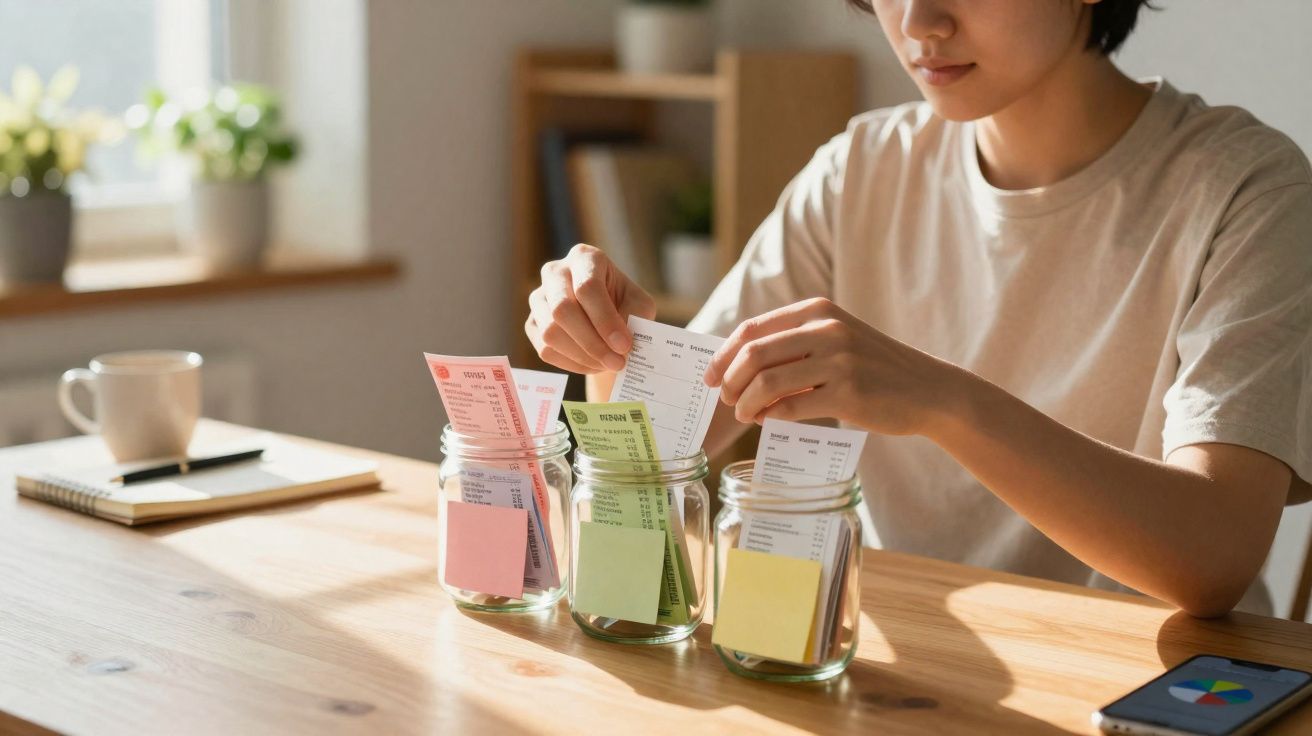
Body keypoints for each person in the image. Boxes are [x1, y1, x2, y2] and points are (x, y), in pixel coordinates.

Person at [523, 0, 1312, 617]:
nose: (919, 24)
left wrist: (942, 402)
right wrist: (615, 349)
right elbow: (659, 458)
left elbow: (1216, 555)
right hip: (906, 658)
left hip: (1145, 687)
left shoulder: (1247, 191)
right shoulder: (858, 171)